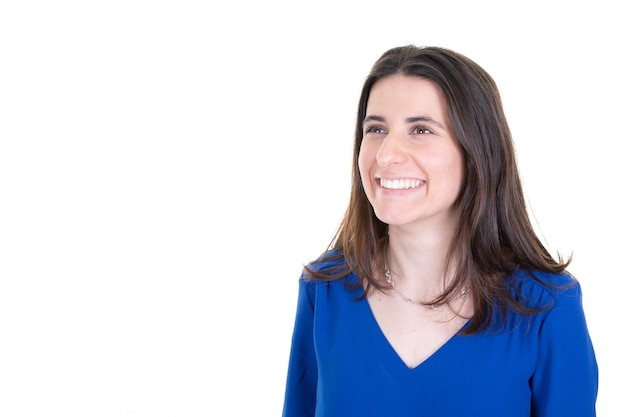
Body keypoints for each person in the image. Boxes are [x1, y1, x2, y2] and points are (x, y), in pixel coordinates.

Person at [281, 45, 598, 417]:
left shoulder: (546, 307)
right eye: (376, 129)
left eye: (420, 129)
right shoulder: (325, 290)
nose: (386, 155)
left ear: (477, 150)